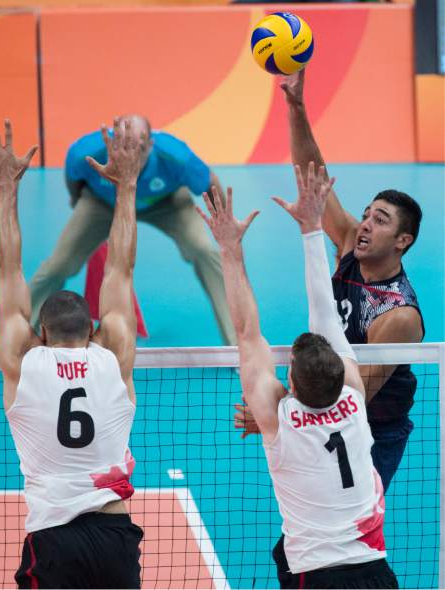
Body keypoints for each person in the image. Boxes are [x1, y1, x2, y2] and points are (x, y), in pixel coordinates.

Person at [196, 163, 398, 589]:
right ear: (340, 375)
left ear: (290, 387)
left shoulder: (279, 420)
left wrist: (230, 248)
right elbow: (325, 311)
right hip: (376, 573)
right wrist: (311, 227)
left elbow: (246, 332)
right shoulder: (354, 400)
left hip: (317, 577)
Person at [0, 117, 144, 589]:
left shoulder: (23, 364)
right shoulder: (113, 359)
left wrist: (6, 187)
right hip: (114, 534)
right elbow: (122, 270)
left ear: (39, 333)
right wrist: (126, 187)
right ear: (93, 329)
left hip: (53, 539)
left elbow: (8, 269)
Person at [235, 70, 424, 493]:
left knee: (351, 526)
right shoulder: (347, 243)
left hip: (372, 431)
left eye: (380, 221)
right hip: (329, 409)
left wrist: (275, 410)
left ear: (402, 241)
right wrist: (296, 109)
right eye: (367, 214)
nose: (365, 225)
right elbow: (311, 173)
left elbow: (353, 399)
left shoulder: (398, 315)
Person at [29, 114, 237, 346]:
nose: (130, 153)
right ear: (111, 141)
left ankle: (237, 344)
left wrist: (224, 224)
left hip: (165, 202)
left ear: (150, 144)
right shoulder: (86, 153)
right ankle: (22, 332)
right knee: (60, 264)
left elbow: (210, 182)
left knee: (204, 250)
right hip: (103, 202)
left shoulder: (175, 156)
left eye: (137, 147)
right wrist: (78, 199)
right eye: (122, 144)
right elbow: (74, 178)